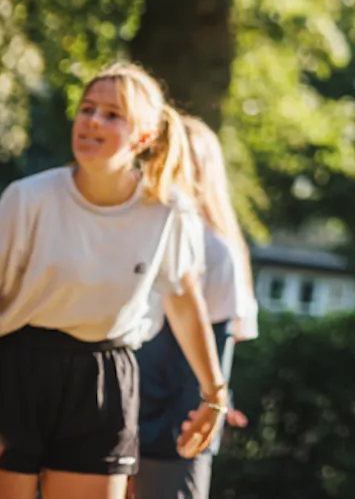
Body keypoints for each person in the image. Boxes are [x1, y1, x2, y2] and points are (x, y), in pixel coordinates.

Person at [0, 64, 228, 499]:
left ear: (144, 137)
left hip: (105, 378)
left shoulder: (169, 212)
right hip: (13, 370)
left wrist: (214, 396)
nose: (92, 121)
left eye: (113, 115)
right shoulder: (28, 198)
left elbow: (184, 300)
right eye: (87, 109)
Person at [134, 117, 260, 499]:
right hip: (110, 427)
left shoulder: (216, 250)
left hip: (172, 439)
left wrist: (211, 408)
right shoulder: (127, 226)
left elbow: (214, 349)